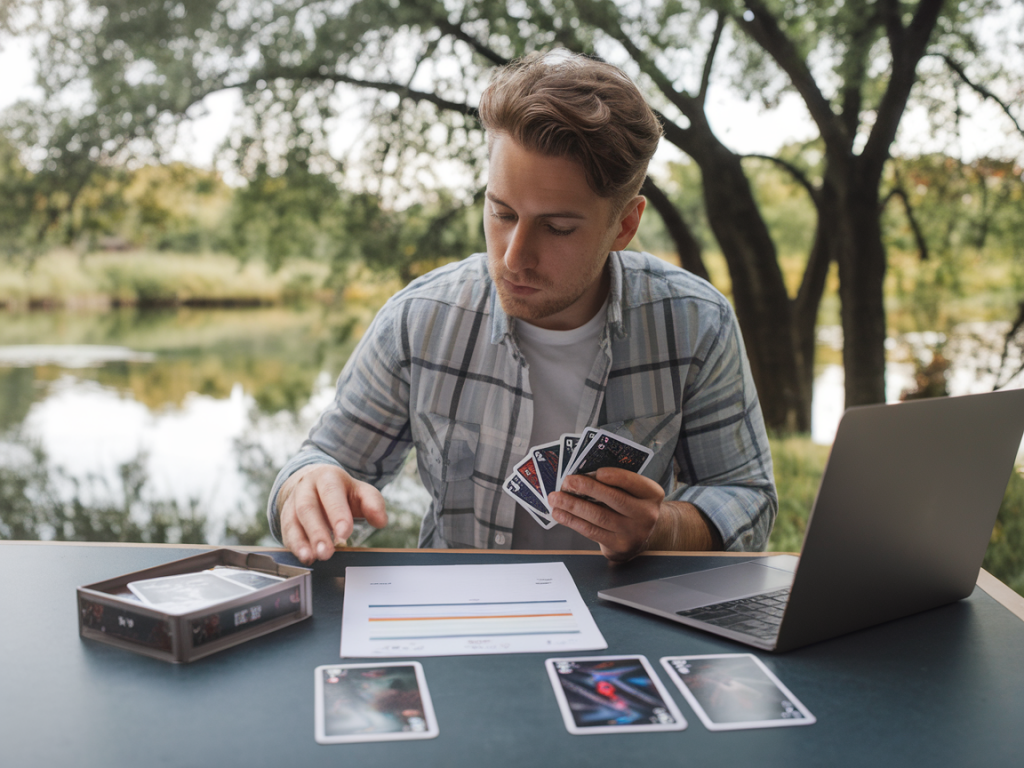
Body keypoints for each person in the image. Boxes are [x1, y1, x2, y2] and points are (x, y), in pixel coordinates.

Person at [267, 50, 777, 565]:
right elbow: (317, 462)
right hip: (456, 615)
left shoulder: (695, 322)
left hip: (624, 621)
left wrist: (662, 528)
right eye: (502, 212)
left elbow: (746, 495)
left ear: (624, 225)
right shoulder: (418, 319)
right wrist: (306, 489)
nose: (514, 257)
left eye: (557, 228)